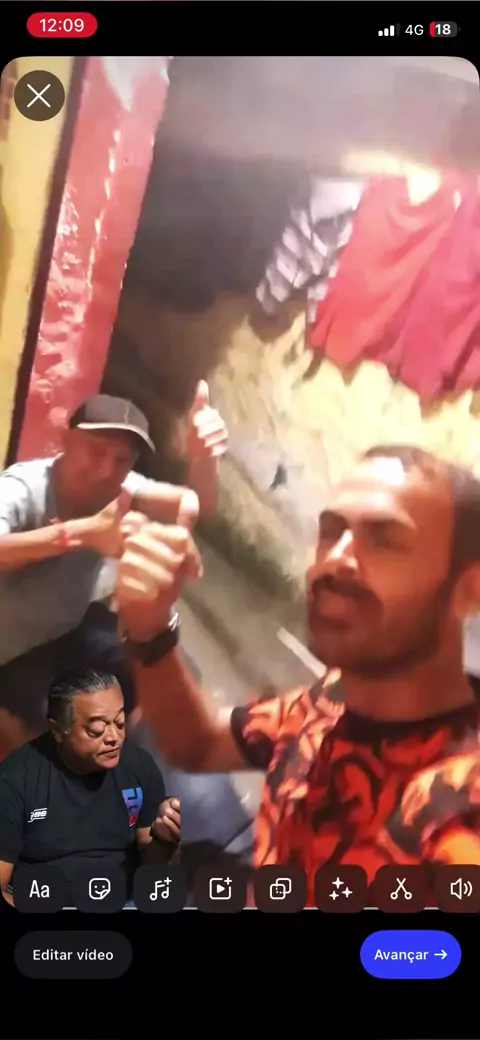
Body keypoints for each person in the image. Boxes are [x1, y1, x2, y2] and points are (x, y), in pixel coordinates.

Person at [116, 444, 480, 903]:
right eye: (332, 531)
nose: (334, 559)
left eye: (386, 540)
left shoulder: (459, 806)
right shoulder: (339, 693)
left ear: (471, 589)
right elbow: (200, 745)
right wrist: (150, 630)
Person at [0, 385, 227, 757]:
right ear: (66, 440)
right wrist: (80, 534)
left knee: (156, 666)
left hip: (67, 631)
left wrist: (203, 461)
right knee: (58, 728)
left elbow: (190, 502)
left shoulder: (118, 487)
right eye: (96, 451)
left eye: (122, 460)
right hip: (9, 653)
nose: (107, 470)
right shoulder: (24, 487)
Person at [0, 668, 180, 908]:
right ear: (58, 731)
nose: (114, 737)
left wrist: (165, 840)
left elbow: (153, 864)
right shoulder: (14, 780)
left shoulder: (139, 766)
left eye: (120, 723)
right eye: (96, 730)